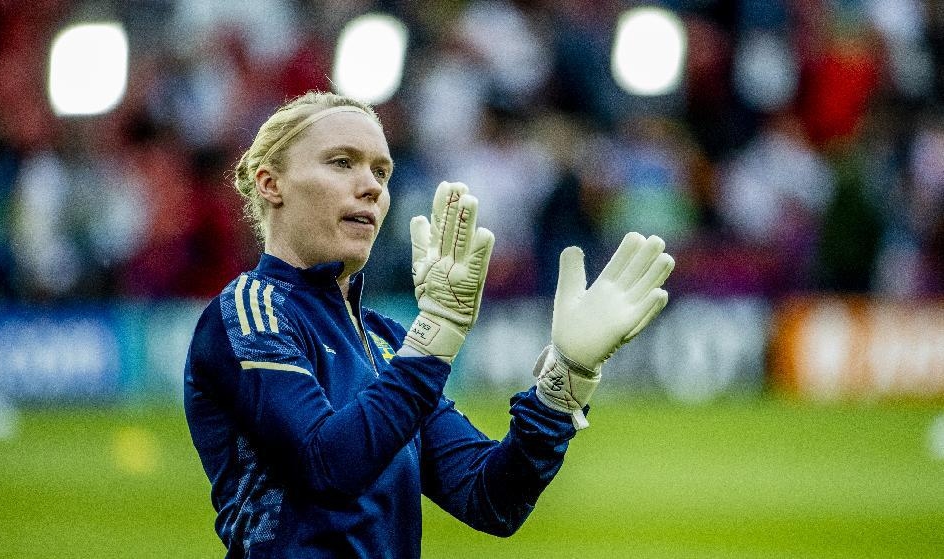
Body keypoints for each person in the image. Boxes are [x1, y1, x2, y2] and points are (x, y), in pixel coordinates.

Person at [184, 90, 675, 558]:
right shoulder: (249, 313)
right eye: (342, 162)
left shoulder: (387, 341)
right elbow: (328, 466)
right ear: (272, 184)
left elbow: (490, 498)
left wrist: (563, 384)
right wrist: (437, 329)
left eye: (382, 170)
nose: (372, 185)